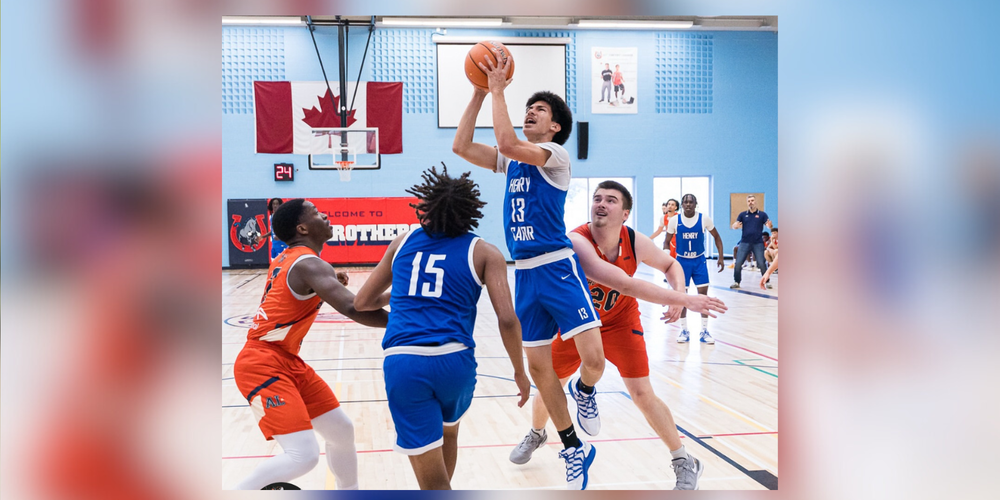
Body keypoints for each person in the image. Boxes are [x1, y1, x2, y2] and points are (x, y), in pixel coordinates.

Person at [508, 181, 727, 490]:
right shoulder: (575, 240)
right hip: (579, 323)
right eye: (597, 198)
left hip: (621, 321)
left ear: (625, 213)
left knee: (642, 393)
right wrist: (685, 300)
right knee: (550, 384)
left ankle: (684, 460)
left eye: (610, 200)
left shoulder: (635, 241)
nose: (601, 203)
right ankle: (537, 432)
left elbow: (670, 263)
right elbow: (624, 284)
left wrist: (678, 290)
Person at [452, 54, 604, 490]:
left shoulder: (553, 156)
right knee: (542, 372)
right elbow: (461, 147)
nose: (531, 112)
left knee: (594, 361)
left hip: (557, 267)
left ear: (555, 127)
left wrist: (498, 88)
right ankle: (574, 447)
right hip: (527, 275)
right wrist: (480, 93)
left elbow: (506, 142)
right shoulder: (512, 161)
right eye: (529, 107)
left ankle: (588, 393)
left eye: (540, 110)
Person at [353, 166, 531, 490]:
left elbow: (363, 302)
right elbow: (507, 319)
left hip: (407, 362)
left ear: (427, 207)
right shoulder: (486, 252)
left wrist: (402, 295)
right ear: (470, 211)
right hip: (457, 362)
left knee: (432, 484)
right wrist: (519, 371)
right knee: (449, 433)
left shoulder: (402, 242)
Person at [232, 199, 391, 490]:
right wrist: (404, 323)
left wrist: (327, 284)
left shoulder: (288, 258)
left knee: (341, 431)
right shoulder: (310, 265)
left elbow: (294, 295)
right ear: (303, 228)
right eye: (317, 213)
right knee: (303, 456)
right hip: (262, 363)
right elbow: (354, 308)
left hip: (284, 359)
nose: (325, 215)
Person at [667, 194, 726, 343]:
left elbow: (717, 237)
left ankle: (705, 331)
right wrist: (666, 259)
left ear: (695, 204)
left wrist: (720, 257)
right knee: (682, 297)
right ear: (682, 204)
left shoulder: (704, 218)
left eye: (690, 202)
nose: (688, 204)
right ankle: (684, 330)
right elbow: (666, 242)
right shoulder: (674, 220)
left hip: (699, 261)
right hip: (682, 262)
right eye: (685, 202)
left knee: (703, 297)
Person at [731, 194, 773, 289]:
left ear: (755, 202)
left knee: (762, 263)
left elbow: (768, 225)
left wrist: (770, 225)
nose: (751, 202)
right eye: (749, 201)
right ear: (747, 203)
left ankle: (767, 281)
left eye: (752, 200)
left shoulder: (762, 214)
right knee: (738, 263)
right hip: (745, 242)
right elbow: (735, 225)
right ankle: (736, 281)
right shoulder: (742, 215)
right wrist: (735, 226)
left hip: (758, 243)